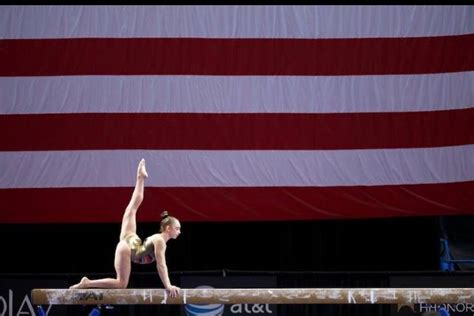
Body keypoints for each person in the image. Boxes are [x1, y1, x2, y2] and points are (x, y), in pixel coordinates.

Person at [69, 159, 181, 297]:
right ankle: (87, 283)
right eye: (177, 228)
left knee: (132, 209)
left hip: (130, 239)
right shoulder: (160, 241)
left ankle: (140, 177)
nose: (179, 232)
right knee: (121, 284)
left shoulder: (158, 240)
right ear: (168, 228)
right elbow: (161, 265)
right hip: (128, 248)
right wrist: (168, 285)